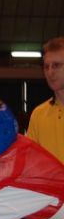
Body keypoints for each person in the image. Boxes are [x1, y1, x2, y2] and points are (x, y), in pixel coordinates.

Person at [27, 36, 64, 164]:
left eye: (56, 65)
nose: (50, 72)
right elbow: (31, 163)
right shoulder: (38, 114)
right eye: (46, 67)